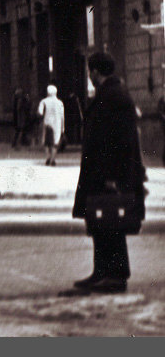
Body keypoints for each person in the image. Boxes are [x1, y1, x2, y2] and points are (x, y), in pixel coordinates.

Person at [70, 52, 147, 293]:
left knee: (111, 222)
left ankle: (115, 276)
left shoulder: (114, 96)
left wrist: (114, 177)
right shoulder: (111, 94)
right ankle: (101, 272)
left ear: (94, 72)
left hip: (109, 175)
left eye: (90, 71)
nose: (89, 76)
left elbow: (122, 142)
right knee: (100, 221)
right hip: (101, 172)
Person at [37, 84, 66, 166]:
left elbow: (40, 112)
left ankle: (48, 157)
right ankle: (53, 159)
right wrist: (63, 128)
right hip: (57, 124)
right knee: (55, 142)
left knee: (46, 142)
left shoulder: (44, 101)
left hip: (47, 123)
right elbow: (62, 116)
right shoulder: (60, 103)